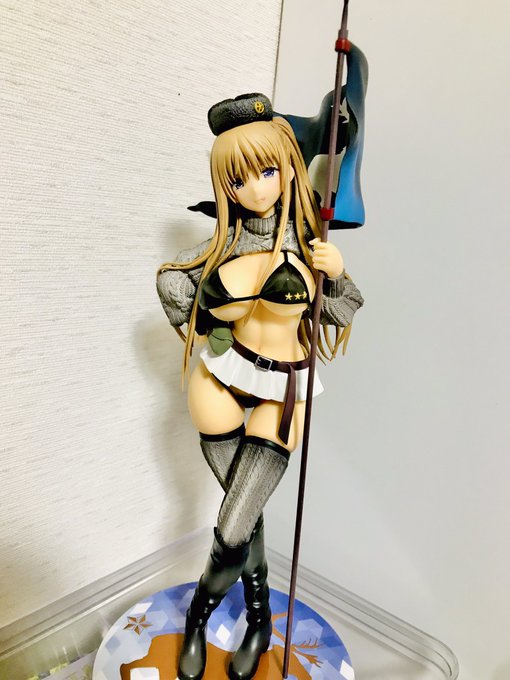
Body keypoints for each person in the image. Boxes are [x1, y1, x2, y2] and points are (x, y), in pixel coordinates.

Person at [156, 93, 363, 680]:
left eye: (266, 171)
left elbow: (344, 307)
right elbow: (171, 283)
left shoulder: (311, 242)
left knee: (234, 524)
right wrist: (209, 328)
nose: (254, 189)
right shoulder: (222, 243)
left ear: (289, 167)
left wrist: (336, 274)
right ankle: (257, 620)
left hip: (285, 388)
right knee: (245, 516)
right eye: (237, 179)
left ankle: (206, 616)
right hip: (219, 381)